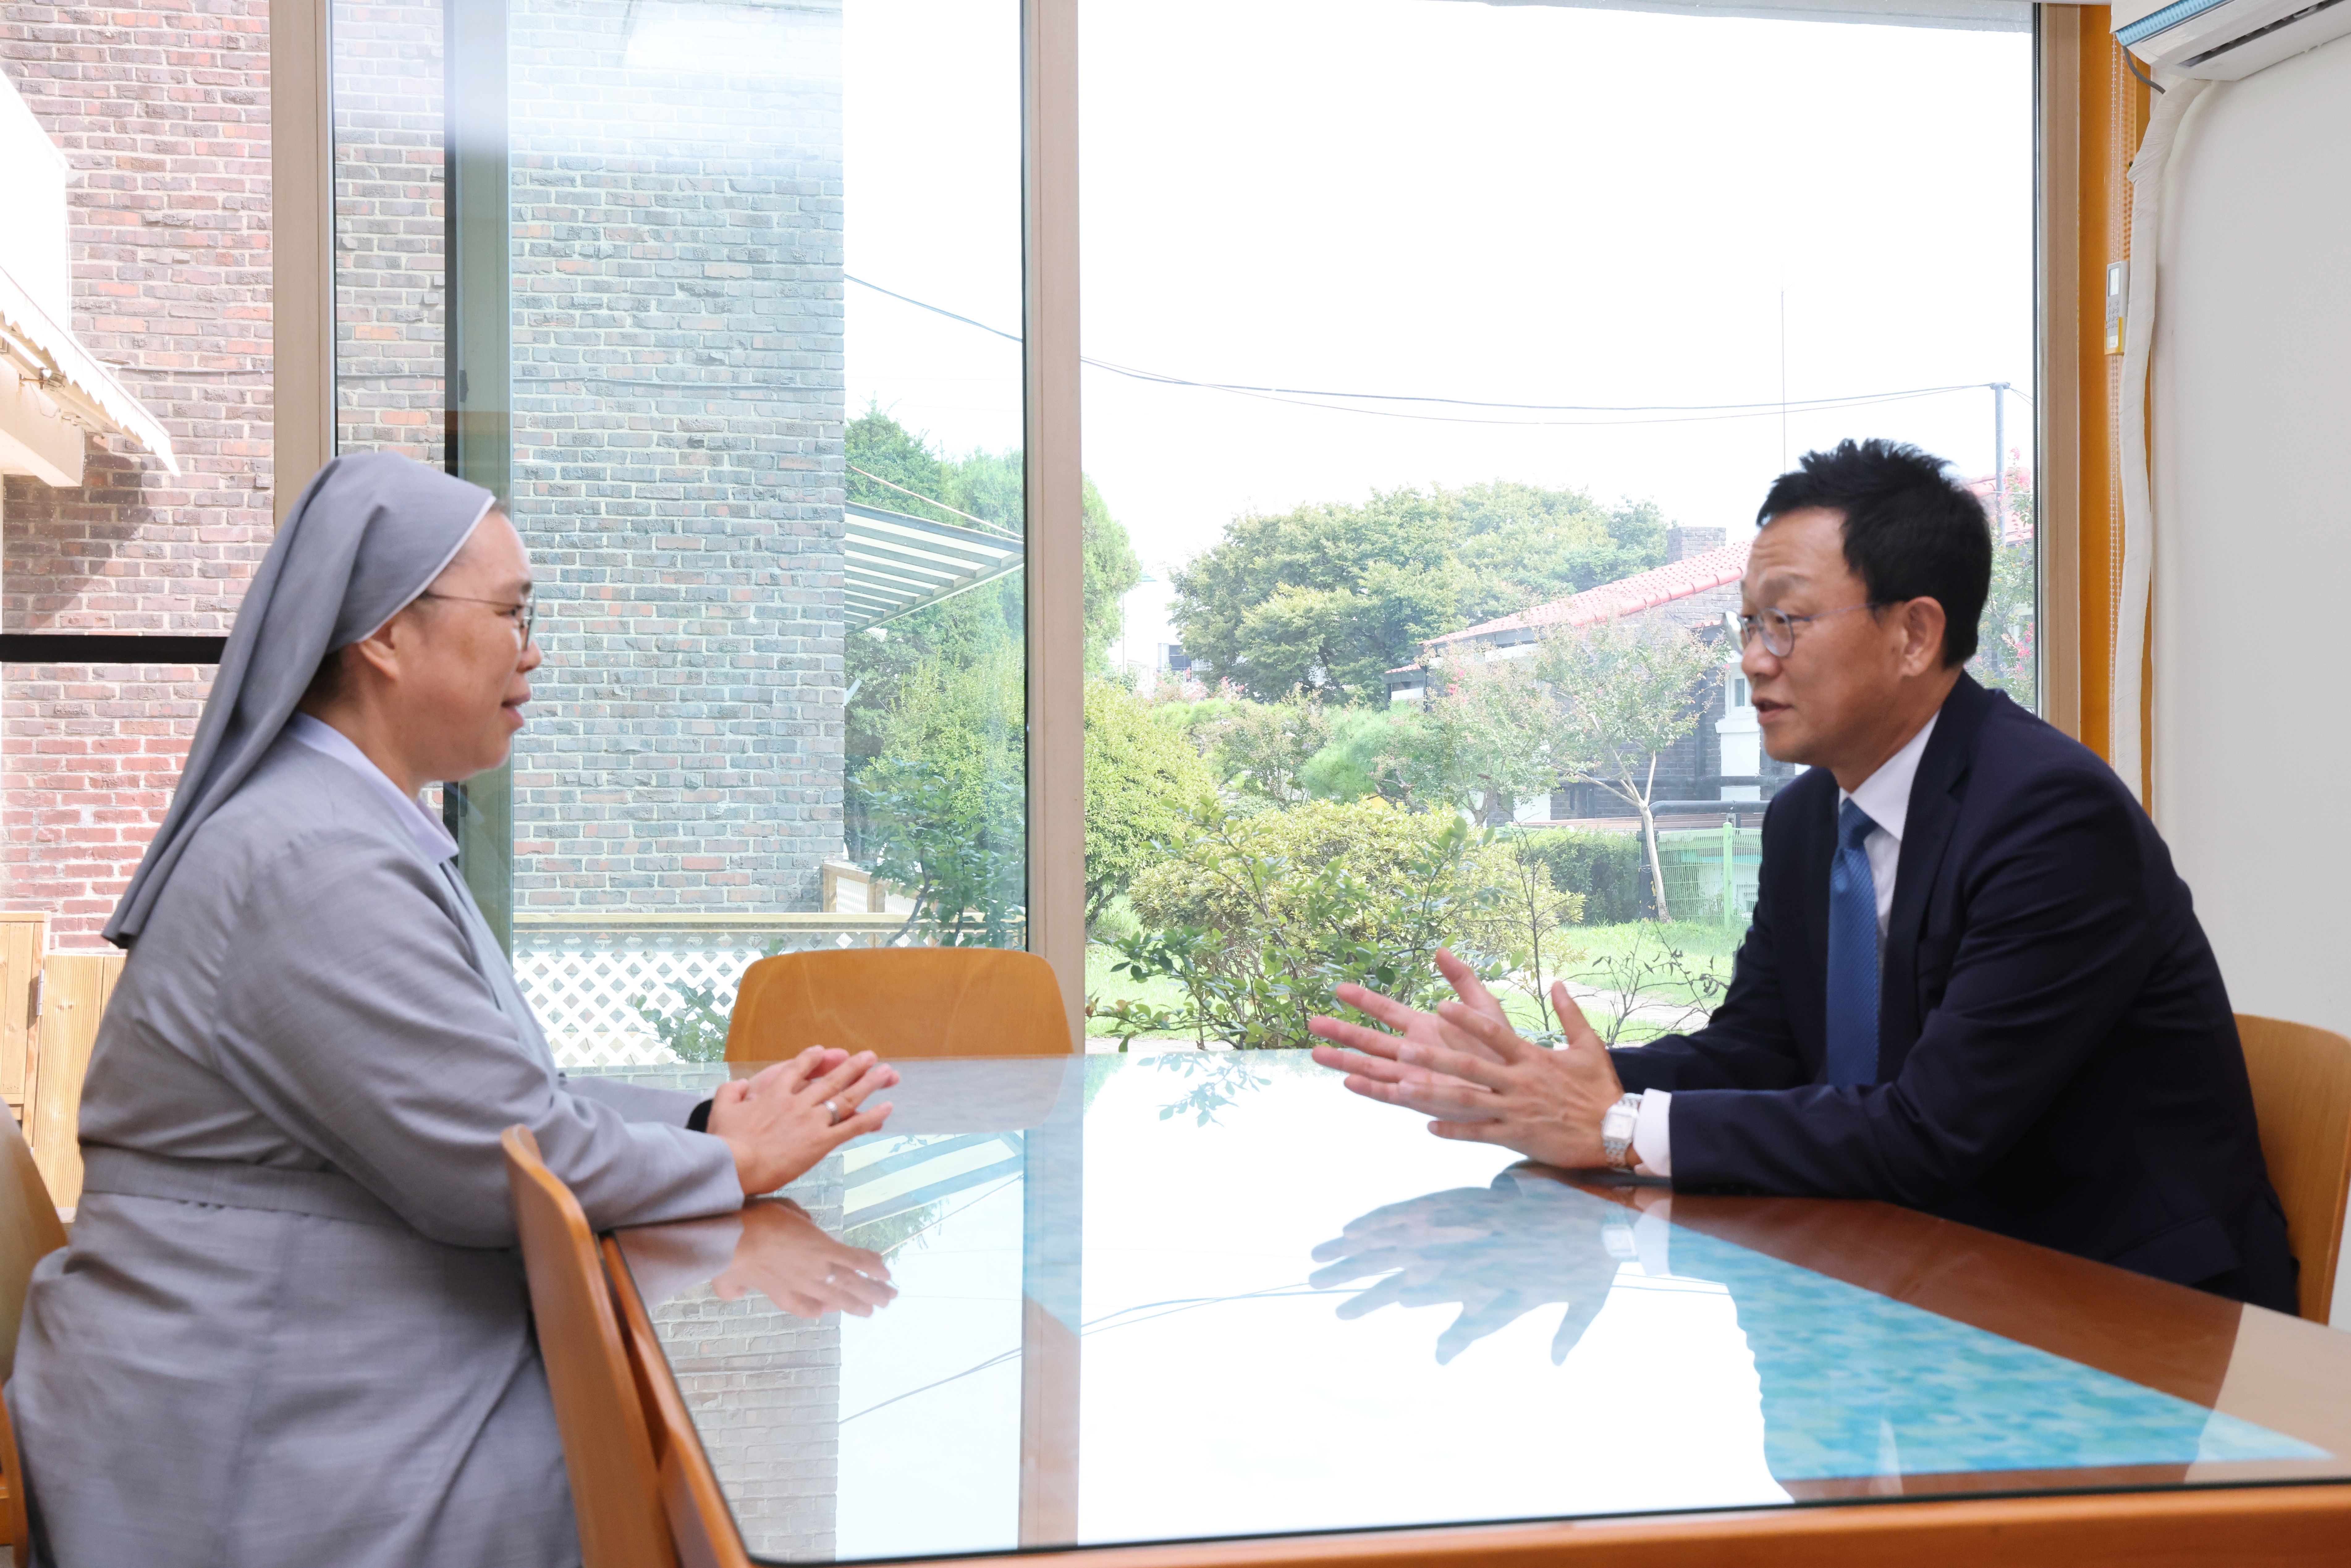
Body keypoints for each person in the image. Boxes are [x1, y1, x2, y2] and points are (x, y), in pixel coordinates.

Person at [6, 452, 899, 1568]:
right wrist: (730, 1163)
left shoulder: (339, 821)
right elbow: (496, 1164)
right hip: (262, 1414)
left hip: (293, 1358)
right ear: (385, 634)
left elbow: (504, 1094)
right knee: (704, 1490)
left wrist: (701, 1121)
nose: (534, 653)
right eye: (513, 614)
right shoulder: (311, 855)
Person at [1310, 439, 2295, 1313]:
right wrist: (1537, 1080)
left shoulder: (2049, 816)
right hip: (1917, 1273)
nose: (1750, 661)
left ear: (1914, 633)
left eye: (1782, 623)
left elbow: (1929, 1130)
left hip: (2119, 1307)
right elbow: (1760, 1051)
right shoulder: (1806, 816)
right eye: (1744, 625)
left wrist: (1612, 1126)